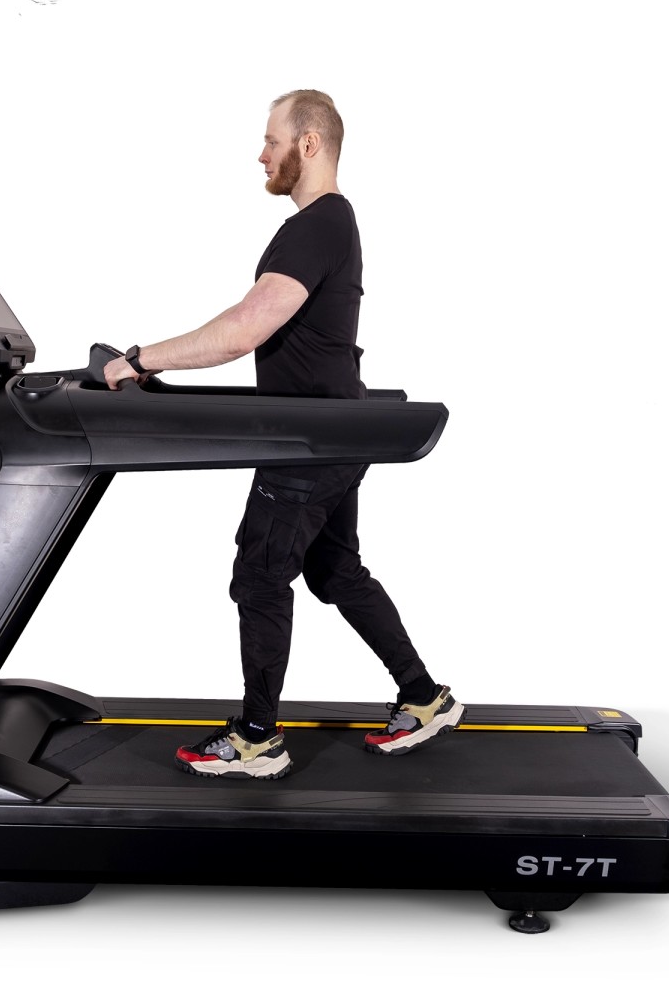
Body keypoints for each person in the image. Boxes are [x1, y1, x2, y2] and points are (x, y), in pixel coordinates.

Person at [104, 90, 461, 779]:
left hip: (307, 442)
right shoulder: (332, 223)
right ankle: (424, 697)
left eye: (272, 141)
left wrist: (142, 359)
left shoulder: (317, 224)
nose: (261, 154)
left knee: (260, 578)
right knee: (334, 571)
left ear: (308, 144)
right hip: (330, 432)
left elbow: (244, 329)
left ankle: (257, 739)